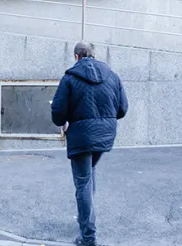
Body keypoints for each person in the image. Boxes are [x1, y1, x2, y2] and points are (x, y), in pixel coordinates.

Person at [50, 42, 128, 246]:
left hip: (81, 137)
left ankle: (88, 236)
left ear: (76, 57)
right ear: (93, 55)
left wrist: (66, 120)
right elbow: (122, 109)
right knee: (90, 173)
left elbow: (58, 114)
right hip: (104, 136)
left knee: (83, 181)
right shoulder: (112, 76)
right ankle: (85, 219)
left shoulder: (70, 78)